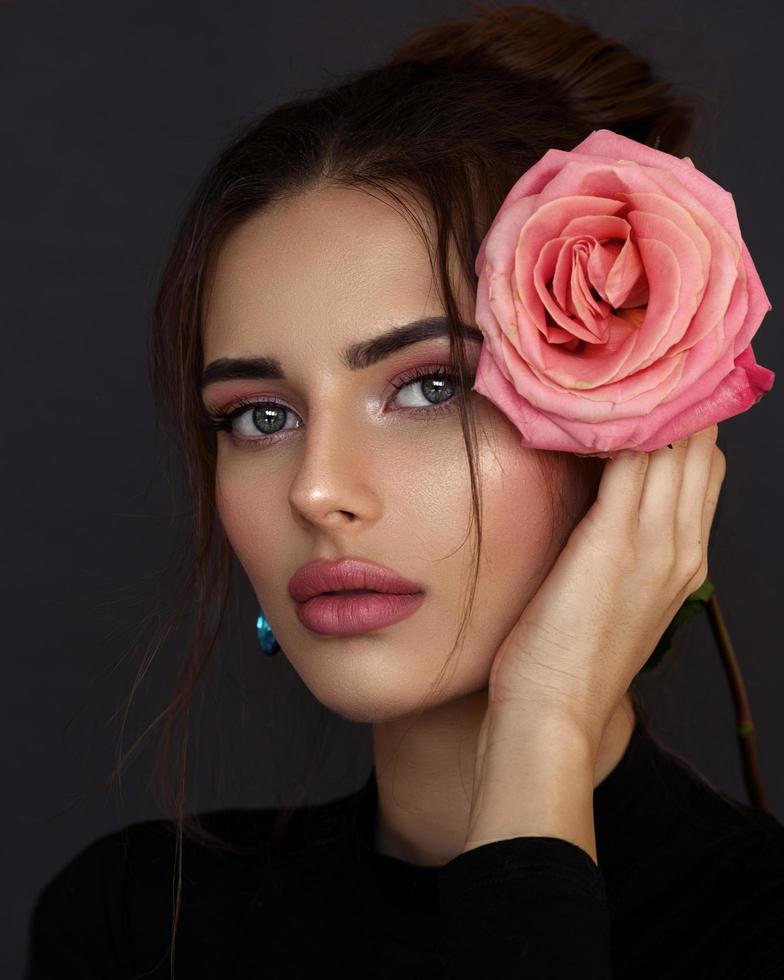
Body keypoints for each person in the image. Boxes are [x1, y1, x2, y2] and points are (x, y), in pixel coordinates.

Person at [24, 4, 784, 978]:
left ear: (635, 437)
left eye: (432, 386)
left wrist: (544, 717)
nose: (318, 489)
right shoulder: (135, 923)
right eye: (259, 414)